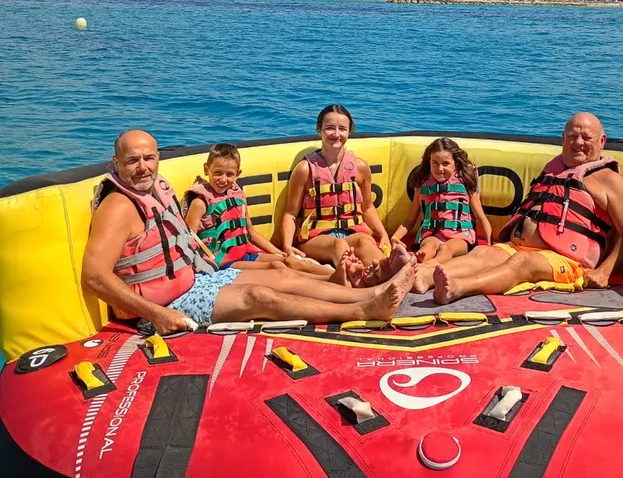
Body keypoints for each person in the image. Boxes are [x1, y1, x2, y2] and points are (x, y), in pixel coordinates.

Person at [81, 129, 415, 335]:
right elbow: (94, 277)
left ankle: (376, 292)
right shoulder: (119, 206)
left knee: (283, 276)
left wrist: (196, 248)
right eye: (133, 160)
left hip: (196, 279)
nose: (143, 167)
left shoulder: (155, 191)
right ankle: (361, 310)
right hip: (167, 303)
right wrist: (157, 314)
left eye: (149, 158)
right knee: (258, 297)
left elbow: (175, 236)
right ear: (116, 163)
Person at [413, 112, 623, 303]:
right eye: (572, 136)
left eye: (586, 137)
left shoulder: (610, 181)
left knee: (522, 263)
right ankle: (422, 275)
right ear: (563, 138)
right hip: (519, 247)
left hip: (568, 262)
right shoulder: (555, 168)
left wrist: (604, 272)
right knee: (483, 253)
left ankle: (457, 288)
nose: (578, 142)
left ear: (602, 141)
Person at [183, 142, 331, 277]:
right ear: (206, 169)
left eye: (229, 174)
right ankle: (328, 280)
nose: (223, 179)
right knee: (277, 267)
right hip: (223, 262)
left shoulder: (238, 195)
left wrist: (281, 253)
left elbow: (251, 233)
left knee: (290, 261)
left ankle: (336, 276)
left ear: (238, 174)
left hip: (245, 252)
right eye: (217, 173)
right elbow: (188, 241)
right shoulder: (200, 203)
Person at [281, 104, 391, 268]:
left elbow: (367, 207)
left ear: (349, 132)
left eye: (342, 129)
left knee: (365, 243)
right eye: (330, 128)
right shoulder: (305, 170)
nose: (336, 134)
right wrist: (287, 246)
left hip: (353, 232)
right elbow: (290, 214)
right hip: (316, 238)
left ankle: (386, 272)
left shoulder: (360, 167)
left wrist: (383, 235)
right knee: (338, 246)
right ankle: (356, 277)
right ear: (319, 130)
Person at [390, 137, 493, 263]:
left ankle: (428, 265)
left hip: (460, 236)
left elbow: (481, 217)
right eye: (435, 163)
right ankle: (418, 261)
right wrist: (395, 237)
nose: (440, 169)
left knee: (446, 248)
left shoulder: (466, 181)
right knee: (429, 246)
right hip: (432, 234)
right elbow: (410, 220)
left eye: (446, 163)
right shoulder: (422, 183)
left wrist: (488, 244)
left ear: (455, 162)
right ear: (429, 162)